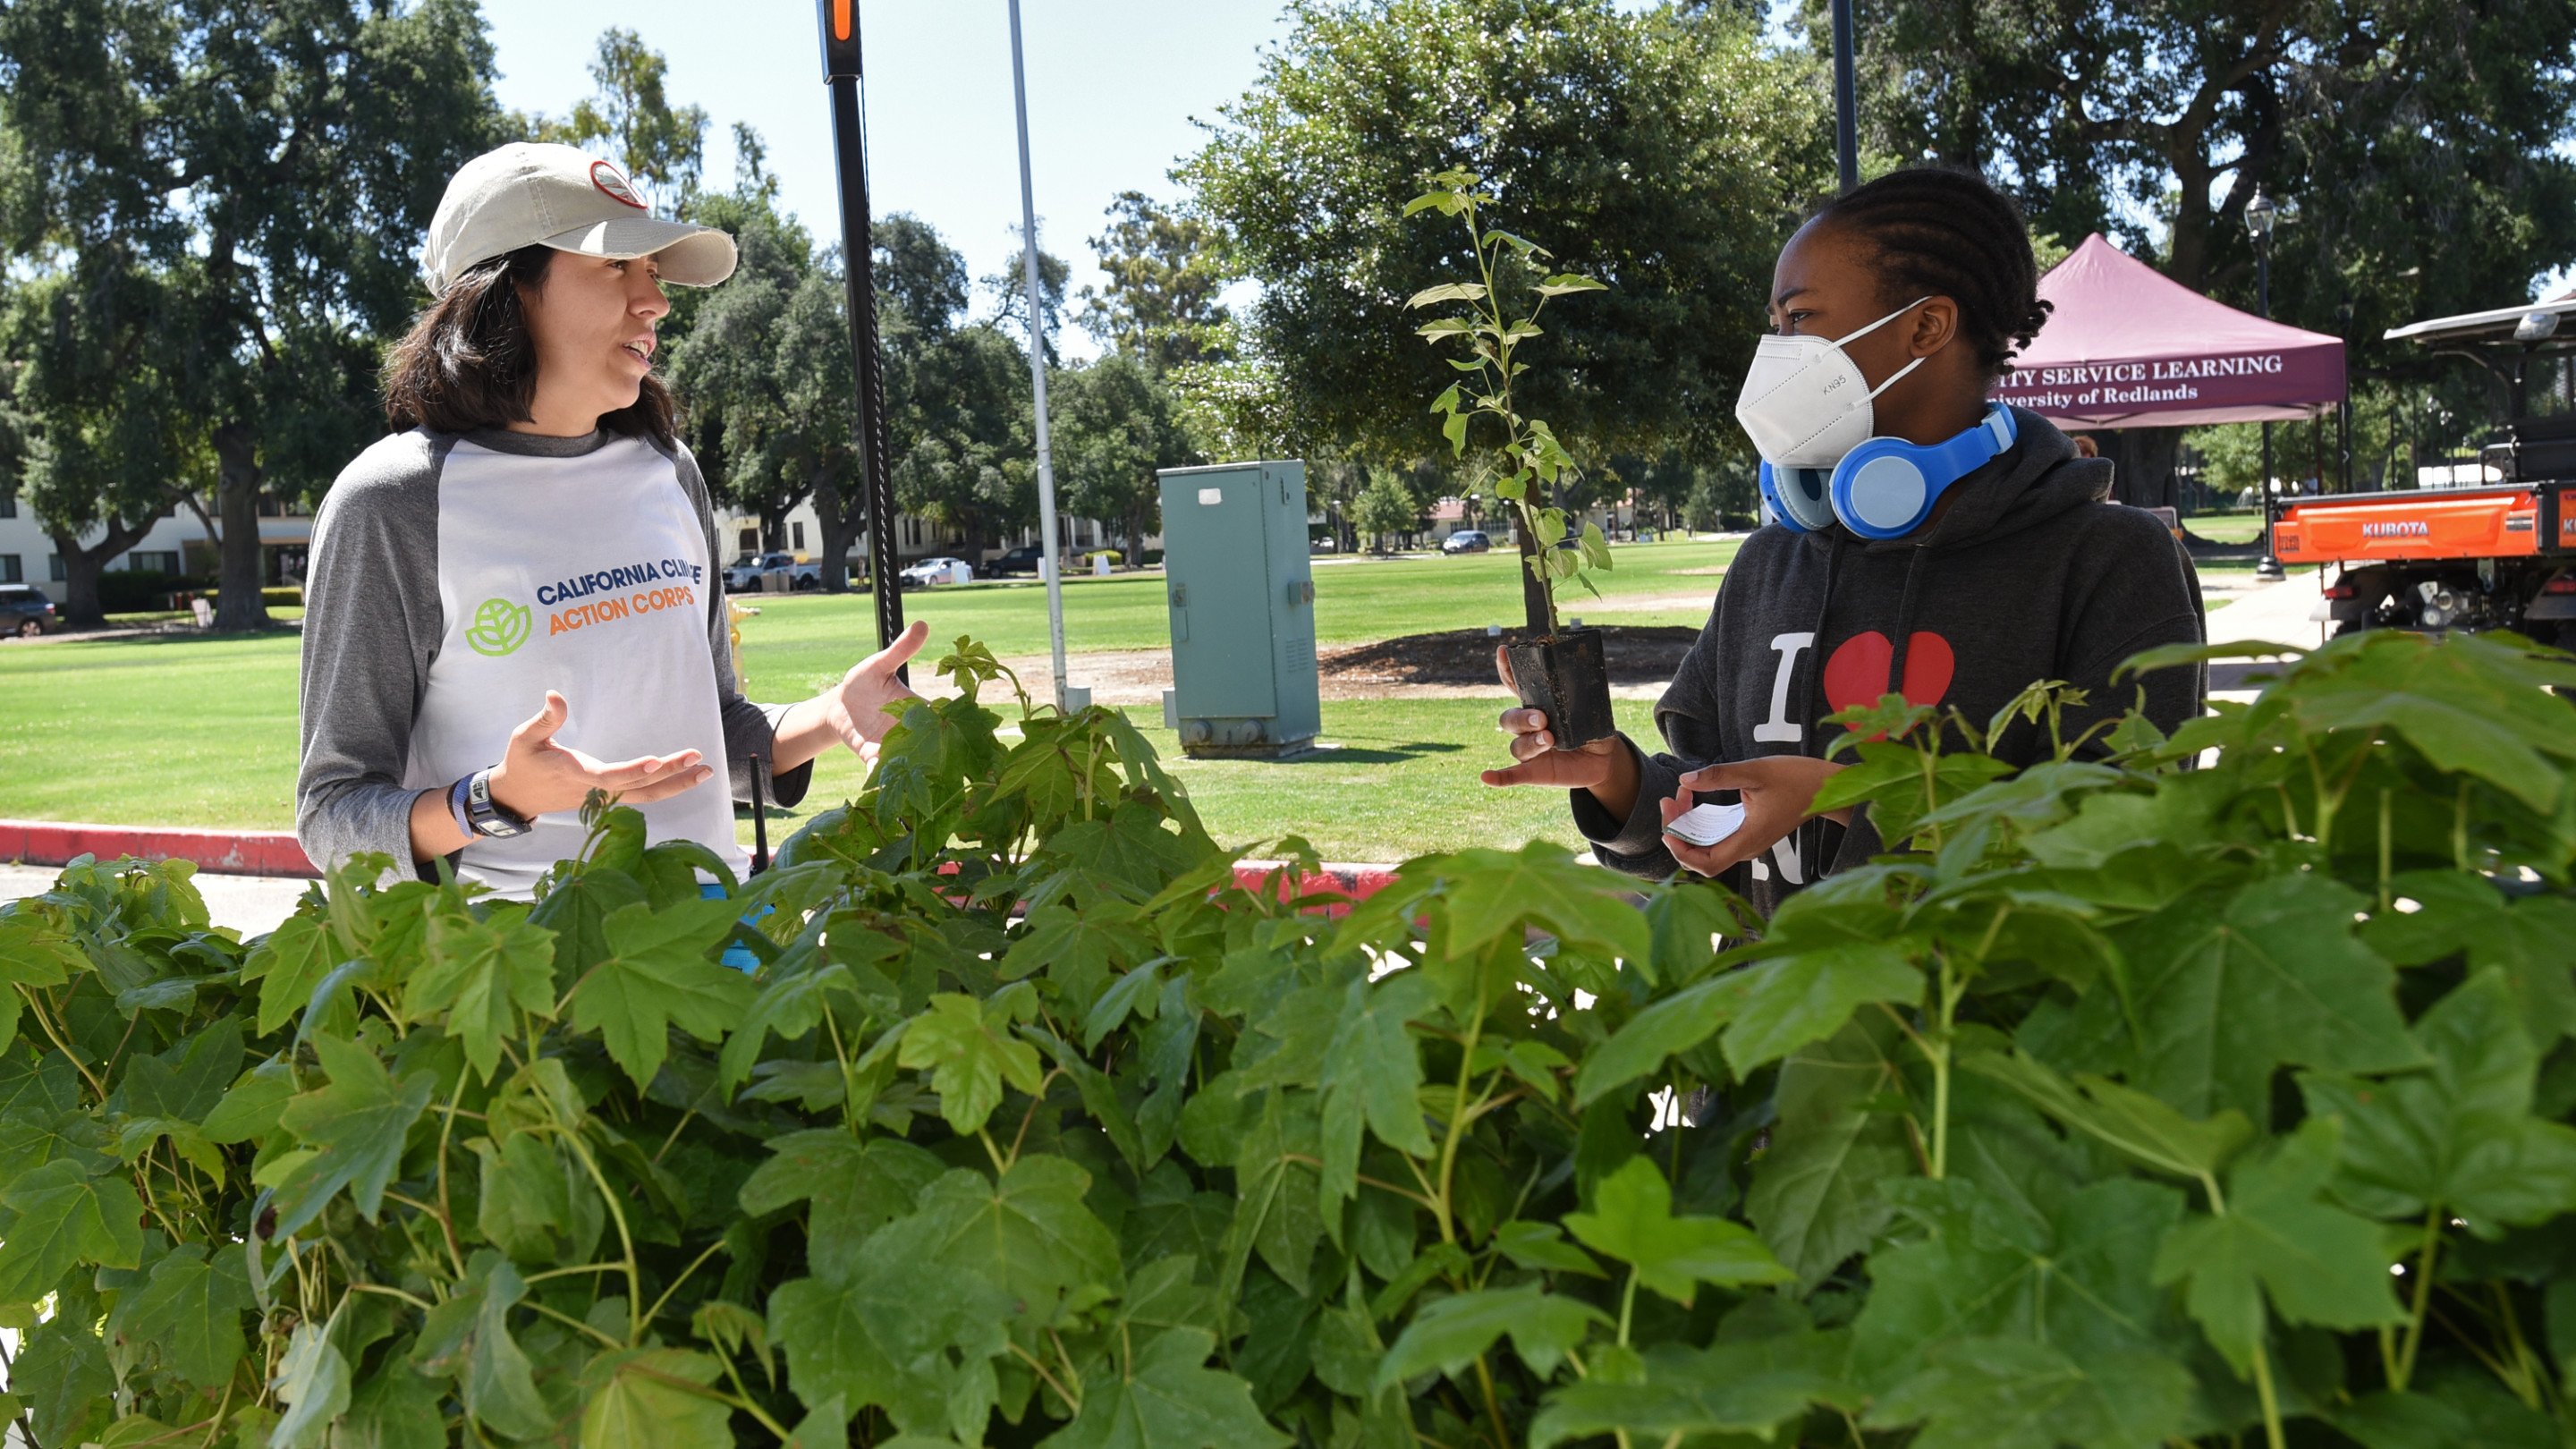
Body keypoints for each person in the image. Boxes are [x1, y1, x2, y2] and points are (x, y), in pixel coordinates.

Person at [1483, 166, 2203, 914]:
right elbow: (1712, 816)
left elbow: (2128, 844)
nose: (1778, 349)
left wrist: (1845, 797)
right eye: (1775, 322)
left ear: (1926, 328)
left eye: (1800, 319)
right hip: (1777, 1016)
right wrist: (1614, 777)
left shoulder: (2108, 560)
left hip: (1976, 1024)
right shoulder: (1771, 562)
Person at [297, 142, 928, 898]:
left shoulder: (668, 471)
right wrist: (496, 799)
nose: (655, 301)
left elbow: (711, 734)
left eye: (654, 272)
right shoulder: (393, 500)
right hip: (519, 966)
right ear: (502, 290)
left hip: (710, 928)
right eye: (614, 266)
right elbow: (333, 816)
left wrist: (832, 715)